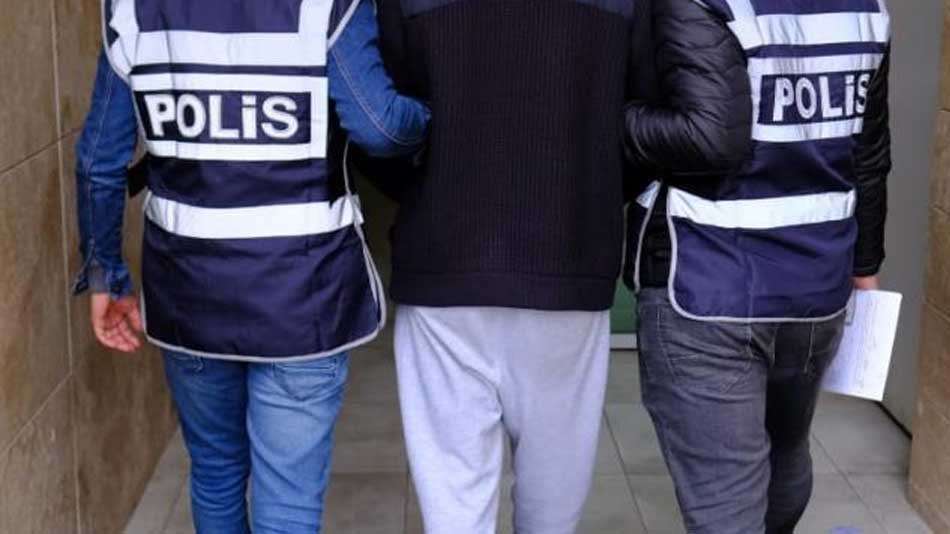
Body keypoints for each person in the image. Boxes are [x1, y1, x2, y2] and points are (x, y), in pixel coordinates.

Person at [73, 0, 429, 532]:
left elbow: (98, 161)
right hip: (303, 302)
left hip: (188, 297)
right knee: (287, 503)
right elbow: (379, 128)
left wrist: (106, 273)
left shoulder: (131, 8)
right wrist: (430, 117)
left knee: (215, 471)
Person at [352, 1, 640, 532]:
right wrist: (586, 188)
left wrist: (432, 188)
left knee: (455, 512)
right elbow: (641, 125)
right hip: (567, 264)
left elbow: (377, 124)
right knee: (552, 512)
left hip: (444, 267)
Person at [623, 0, 892, 532]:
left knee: (727, 498)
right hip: (818, 288)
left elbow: (707, 137)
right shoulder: (868, 7)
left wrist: (603, 115)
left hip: (707, 286)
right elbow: (869, 153)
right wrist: (863, 267)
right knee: (786, 452)